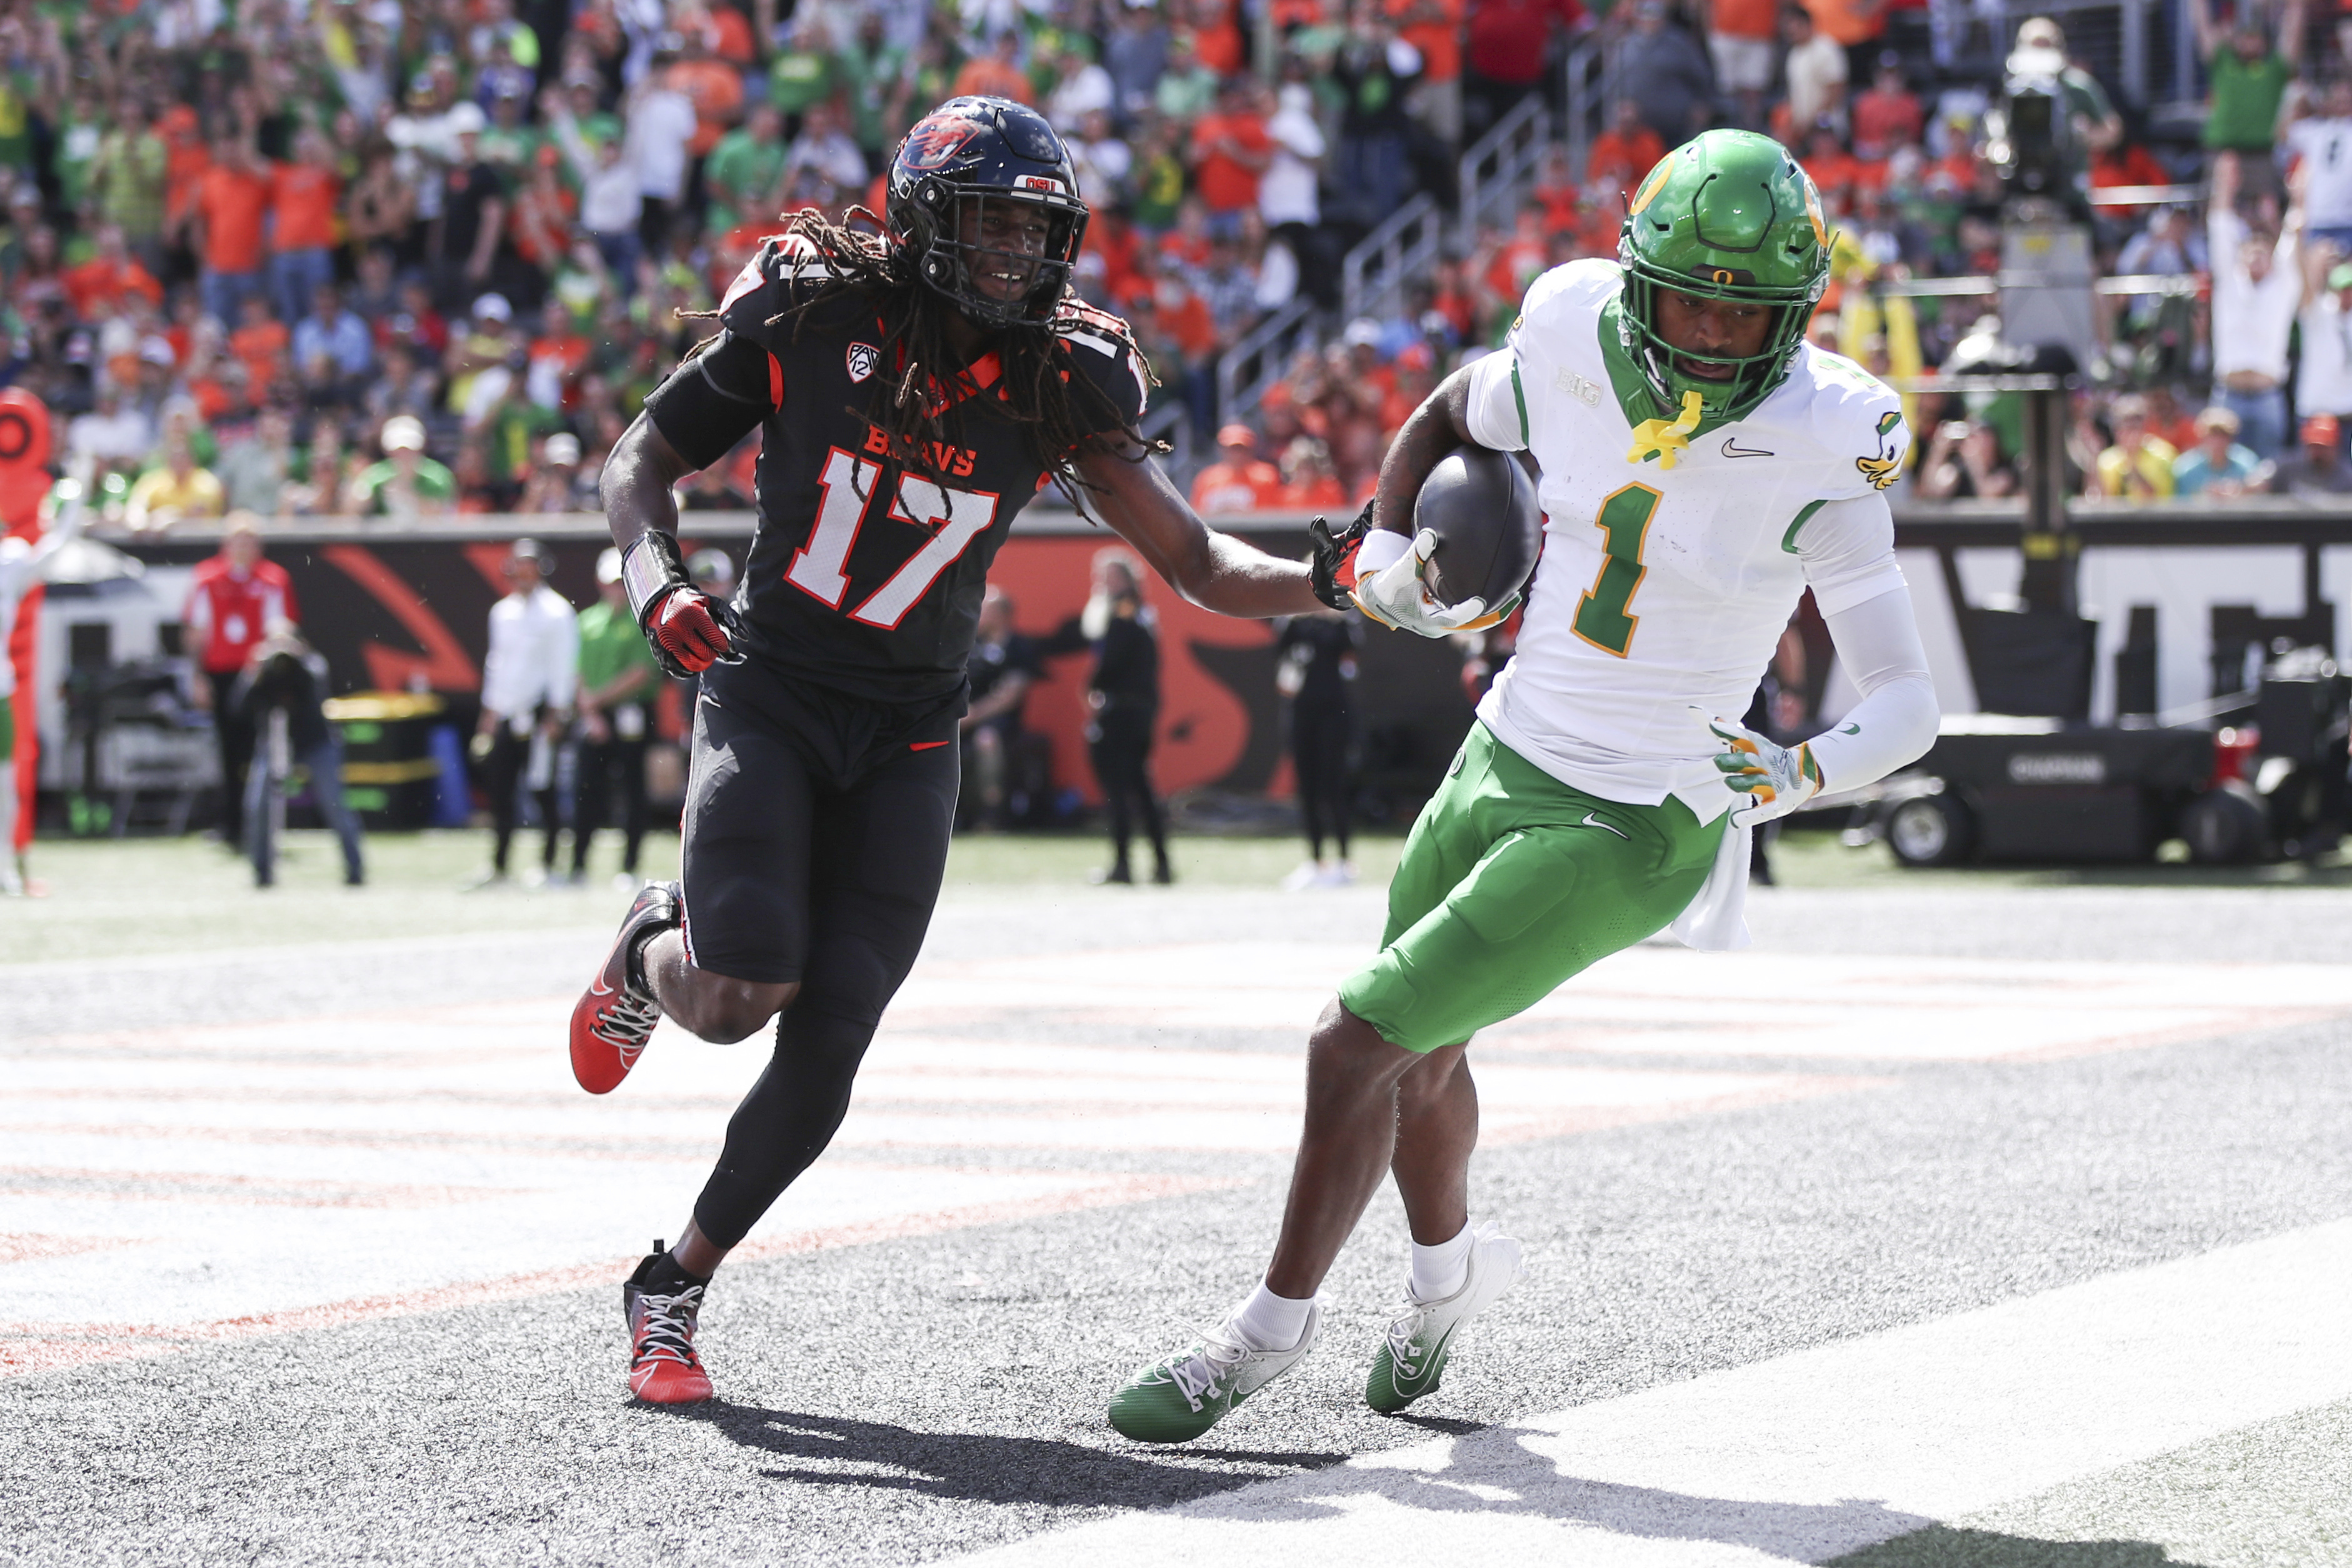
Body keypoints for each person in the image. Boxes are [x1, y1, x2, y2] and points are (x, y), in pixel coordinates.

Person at [1107, 129, 1939, 1443]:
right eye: (1692, 299)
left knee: (1353, 1037)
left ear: (1796, 312)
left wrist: (1796, 774)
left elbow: (1907, 703)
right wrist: (1386, 543)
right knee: (1423, 1058)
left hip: (1639, 815)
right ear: (1634, 280)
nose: (1717, 334)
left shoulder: (1836, 432)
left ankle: (1264, 1332)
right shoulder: (1569, 328)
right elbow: (1450, 406)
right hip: (1503, 743)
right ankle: (1446, 1286)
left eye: (1746, 308)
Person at [563, 96, 1326, 1406]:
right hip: (774, 689)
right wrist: (654, 582)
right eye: (982, 224)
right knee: (742, 994)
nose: (1007, 257)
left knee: (833, 1035)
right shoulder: (814, 311)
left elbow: (1199, 562)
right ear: (918, 220)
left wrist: (1348, 571)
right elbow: (642, 458)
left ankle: (671, 1285)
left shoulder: (1058, 376)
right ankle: (649, 943)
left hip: (913, 726)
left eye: (1032, 232)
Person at [469, 537, 577, 888]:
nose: (524, 575)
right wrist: (489, 712)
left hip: (540, 712)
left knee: (542, 787)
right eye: (519, 568)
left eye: (530, 568)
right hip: (506, 712)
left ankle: (548, 864)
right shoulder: (502, 612)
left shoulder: (557, 611)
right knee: (499, 789)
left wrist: (558, 712)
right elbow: (496, 665)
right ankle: (499, 866)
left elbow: (563, 664)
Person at [186, 514, 298, 849]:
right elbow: (196, 632)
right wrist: (197, 676)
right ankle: (231, 824)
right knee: (227, 752)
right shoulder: (207, 578)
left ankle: (262, 823)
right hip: (220, 673)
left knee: (261, 751)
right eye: (238, 540)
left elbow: (281, 627)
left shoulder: (273, 579)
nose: (244, 547)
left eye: (250, 540)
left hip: (257, 674)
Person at [0, 472, 85, 894]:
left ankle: (6, 867)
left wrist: (69, 507)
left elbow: (50, 553)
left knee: (5, 785)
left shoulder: (10, 559)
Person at [234, 620, 364, 889]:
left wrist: (297, 660)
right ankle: (262, 873)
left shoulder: (311, 665)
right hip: (274, 742)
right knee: (258, 806)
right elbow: (239, 708)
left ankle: (355, 870)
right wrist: (256, 670)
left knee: (336, 806)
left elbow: (313, 694)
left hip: (315, 743)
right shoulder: (261, 668)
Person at [1073, 547, 1172, 886]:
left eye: (1111, 576)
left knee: (1118, 789)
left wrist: (1092, 686)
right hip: (1140, 710)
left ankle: (1123, 864)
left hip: (1120, 712)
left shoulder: (1123, 612)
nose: (1104, 583)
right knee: (1141, 787)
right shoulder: (1143, 612)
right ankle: (1161, 863)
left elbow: (1111, 660)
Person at [573, 547, 659, 888]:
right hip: (595, 715)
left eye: (621, 583)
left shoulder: (642, 622)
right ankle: (577, 865)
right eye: (610, 583)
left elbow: (640, 673)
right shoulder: (587, 621)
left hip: (632, 712)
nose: (616, 590)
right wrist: (590, 711)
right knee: (586, 789)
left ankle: (629, 865)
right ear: (599, 583)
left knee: (633, 790)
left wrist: (595, 701)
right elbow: (577, 671)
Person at [2208, 152, 2301, 461]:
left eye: (2263, 253)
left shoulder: (2283, 288)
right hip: (2228, 395)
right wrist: (2224, 185)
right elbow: (2220, 226)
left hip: (2267, 396)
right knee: (2222, 470)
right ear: (2241, 257)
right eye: (2250, 252)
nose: (2256, 258)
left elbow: (2294, 235)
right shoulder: (2229, 285)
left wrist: (2299, 197)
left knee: (2268, 477)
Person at [1276, 609, 1358, 891]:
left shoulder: (1340, 623)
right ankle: (1316, 861)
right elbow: (1281, 657)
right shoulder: (1295, 624)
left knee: (1334, 785)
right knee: (1307, 787)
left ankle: (1345, 861)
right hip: (1302, 713)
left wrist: (1334, 615)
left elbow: (1352, 657)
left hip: (1334, 712)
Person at [960, 583, 1039, 829]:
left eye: (988, 610)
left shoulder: (1018, 647)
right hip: (965, 717)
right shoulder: (972, 646)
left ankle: (991, 810)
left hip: (1000, 722)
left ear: (1003, 614)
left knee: (987, 741)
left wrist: (972, 716)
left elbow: (1009, 697)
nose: (981, 614)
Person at [2171, 406, 2269, 499]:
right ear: (2201, 437)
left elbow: (2259, 496)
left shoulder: (2247, 464)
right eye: (2212, 435)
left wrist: (2241, 491)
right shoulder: (2185, 469)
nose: (2218, 442)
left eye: (2224, 435)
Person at [2275, 413, 2352, 495]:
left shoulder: (2347, 478)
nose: (2318, 452)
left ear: (2335, 447)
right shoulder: (2287, 469)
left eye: (2323, 447)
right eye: (2313, 446)